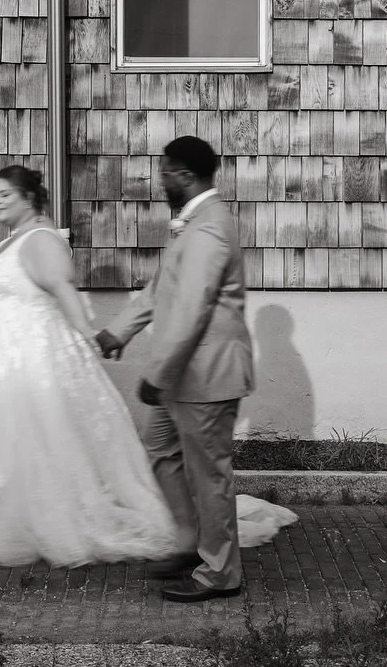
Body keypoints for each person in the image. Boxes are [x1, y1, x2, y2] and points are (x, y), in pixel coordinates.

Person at [0, 165, 179, 567]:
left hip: (25, 358)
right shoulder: (11, 242)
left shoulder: (43, 240)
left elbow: (65, 291)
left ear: (29, 198)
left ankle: (33, 518)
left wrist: (89, 336)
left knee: (29, 435)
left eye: (5, 194)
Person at [94, 135, 294, 603]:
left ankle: (220, 574)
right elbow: (161, 291)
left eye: (163, 171)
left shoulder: (207, 229)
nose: (159, 180)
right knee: (161, 450)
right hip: (185, 376)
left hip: (204, 377)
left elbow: (191, 309)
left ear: (183, 175)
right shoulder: (193, 224)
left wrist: (157, 374)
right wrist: (117, 332)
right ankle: (189, 542)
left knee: (210, 476)